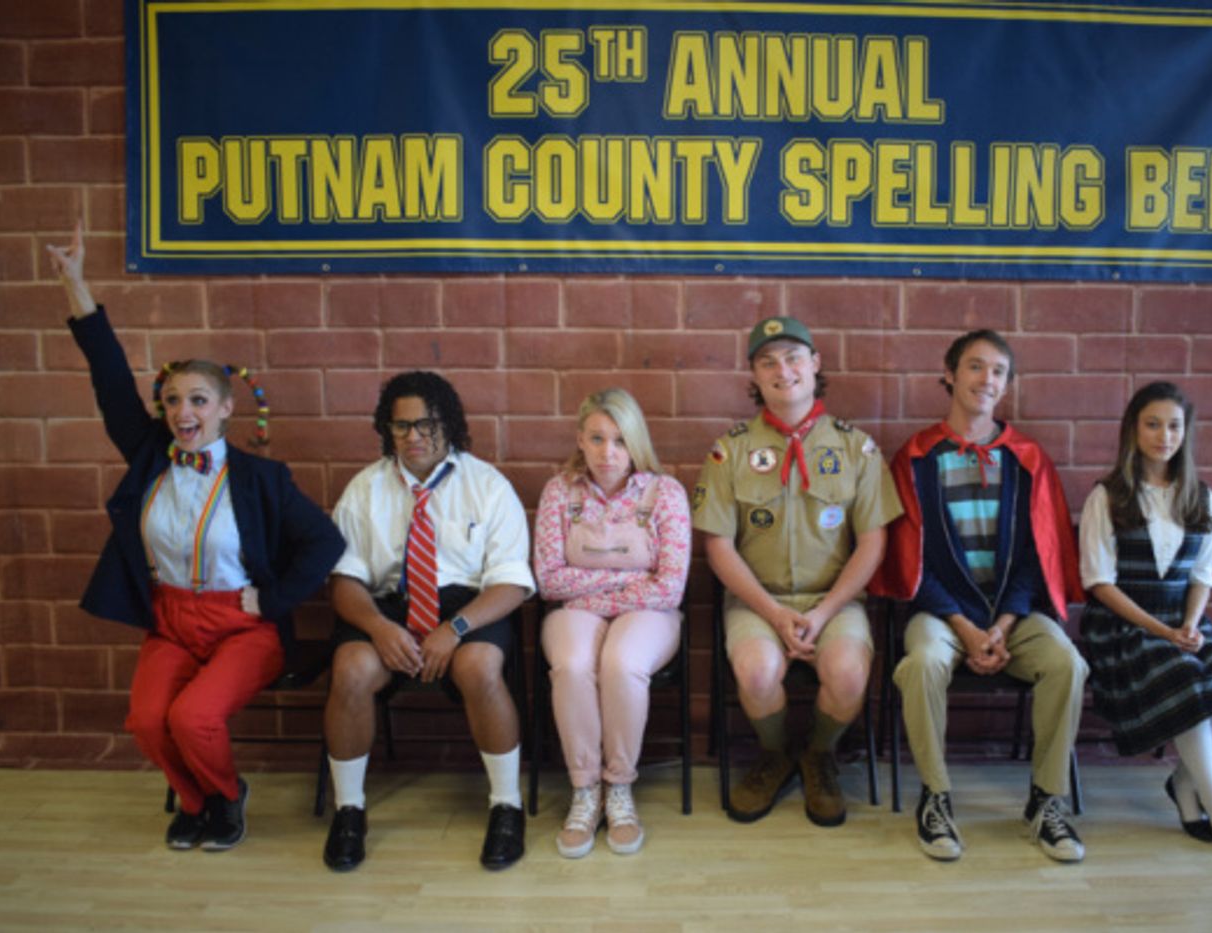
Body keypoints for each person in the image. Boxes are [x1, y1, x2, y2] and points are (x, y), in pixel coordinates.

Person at [46, 224, 345, 851]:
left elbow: (324, 541)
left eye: (200, 400)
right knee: (148, 721)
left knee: (194, 716)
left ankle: (229, 797)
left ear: (227, 407)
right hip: (171, 618)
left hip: (242, 624)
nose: (185, 412)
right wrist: (76, 284)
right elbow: (108, 382)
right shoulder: (149, 456)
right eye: (174, 400)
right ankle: (194, 800)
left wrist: (275, 600)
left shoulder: (262, 478)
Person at [873, 329, 1088, 863]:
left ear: (1007, 384)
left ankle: (1047, 800)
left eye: (998, 371)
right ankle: (936, 797)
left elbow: (1039, 556)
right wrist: (966, 628)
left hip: (1011, 615)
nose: (986, 379)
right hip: (943, 614)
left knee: (1067, 663)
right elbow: (910, 562)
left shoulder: (1026, 459)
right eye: (975, 366)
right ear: (949, 375)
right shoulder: (918, 457)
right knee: (921, 662)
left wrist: (1006, 623)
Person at [320, 371, 535, 872]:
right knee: (351, 670)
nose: (413, 436)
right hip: (388, 606)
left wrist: (454, 629)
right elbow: (344, 580)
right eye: (401, 427)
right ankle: (349, 811)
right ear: (386, 429)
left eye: (425, 425)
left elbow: (510, 584)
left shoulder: (487, 486)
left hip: (466, 606)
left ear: (449, 425)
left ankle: (506, 806)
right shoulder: (364, 488)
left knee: (480, 668)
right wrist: (378, 628)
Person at [692, 316, 902, 827]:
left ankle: (820, 755)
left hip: (835, 599)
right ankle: (776, 754)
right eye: (767, 362)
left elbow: (873, 541)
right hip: (756, 600)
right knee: (758, 671)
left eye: (792, 357)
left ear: (815, 364)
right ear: (755, 376)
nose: (782, 370)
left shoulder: (857, 448)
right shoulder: (731, 449)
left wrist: (826, 610)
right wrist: (775, 613)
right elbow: (717, 545)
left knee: (849, 674)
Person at [1079, 381, 1212, 853]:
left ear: (1186, 432)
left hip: (1183, 622)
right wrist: (1160, 630)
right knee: (1183, 675)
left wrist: (1191, 624)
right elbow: (1099, 582)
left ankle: (1184, 782)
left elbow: (1203, 574)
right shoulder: (1109, 495)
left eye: (1174, 425)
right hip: (1123, 626)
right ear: (1133, 430)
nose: (1164, 435)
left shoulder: (1201, 496)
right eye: (1152, 424)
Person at [533, 388, 691, 858]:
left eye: (620, 440)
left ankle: (618, 785)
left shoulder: (665, 493)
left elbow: (669, 588)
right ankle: (585, 789)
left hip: (649, 613)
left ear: (636, 442)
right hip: (576, 613)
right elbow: (547, 579)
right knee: (573, 663)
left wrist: (592, 588)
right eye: (597, 439)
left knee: (621, 662)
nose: (608, 452)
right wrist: (628, 577)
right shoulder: (560, 491)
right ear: (580, 439)